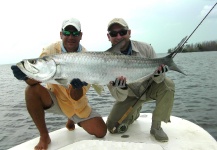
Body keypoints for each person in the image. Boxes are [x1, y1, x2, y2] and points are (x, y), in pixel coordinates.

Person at [11, 18, 107, 150]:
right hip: (55, 99)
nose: (70, 37)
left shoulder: (88, 59)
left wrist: (77, 87)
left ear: (80, 35)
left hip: (76, 104)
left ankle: (71, 118)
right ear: (61, 34)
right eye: (67, 33)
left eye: (75, 33)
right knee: (30, 90)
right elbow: (39, 76)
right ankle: (44, 136)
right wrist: (26, 76)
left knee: (101, 132)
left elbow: (76, 96)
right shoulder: (50, 51)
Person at [106, 18, 175, 142]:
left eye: (122, 32)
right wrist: (122, 87)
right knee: (112, 127)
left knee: (168, 84)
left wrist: (159, 74)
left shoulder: (146, 49)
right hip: (128, 96)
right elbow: (120, 97)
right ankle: (134, 111)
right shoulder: (104, 62)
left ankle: (156, 126)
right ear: (108, 37)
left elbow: (159, 80)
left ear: (129, 32)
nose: (118, 36)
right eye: (113, 34)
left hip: (149, 89)